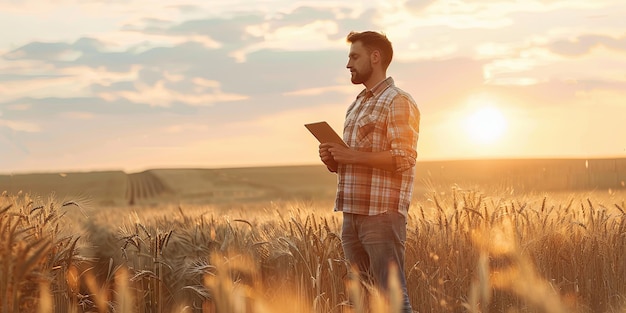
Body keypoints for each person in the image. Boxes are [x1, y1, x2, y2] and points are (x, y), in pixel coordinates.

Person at [318, 31, 420, 313]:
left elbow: (404, 158)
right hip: (352, 214)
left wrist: (351, 155)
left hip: (381, 215)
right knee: (362, 302)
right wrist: (333, 160)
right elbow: (354, 161)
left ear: (375, 58)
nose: (348, 64)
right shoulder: (357, 104)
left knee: (393, 300)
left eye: (354, 56)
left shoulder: (397, 101)